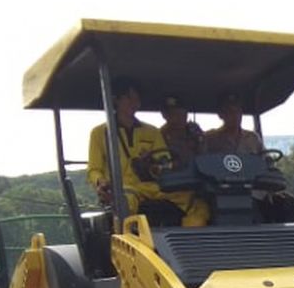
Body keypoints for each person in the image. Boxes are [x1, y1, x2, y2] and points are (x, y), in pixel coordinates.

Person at [88, 76, 208, 227]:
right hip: (124, 188)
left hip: (153, 187)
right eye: (129, 97)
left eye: (137, 98)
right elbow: (94, 169)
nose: (134, 102)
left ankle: (191, 242)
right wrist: (101, 182)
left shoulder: (152, 132)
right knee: (125, 200)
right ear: (115, 99)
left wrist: (153, 165)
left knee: (195, 203)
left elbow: (165, 161)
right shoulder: (99, 133)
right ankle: (132, 242)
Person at [159, 94, 203, 167]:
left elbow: (205, 157)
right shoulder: (159, 136)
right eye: (173, 114)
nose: (178, 118)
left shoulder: (195, 134)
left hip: (196, 175)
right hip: (171, 176)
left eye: (182, 114)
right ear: (164, 115)